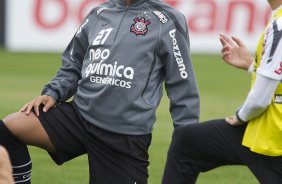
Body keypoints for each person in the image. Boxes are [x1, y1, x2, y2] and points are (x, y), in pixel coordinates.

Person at [0, 0, 200, 183]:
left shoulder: (168, 20)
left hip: (124, 138)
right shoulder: (98, 13)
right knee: (9, 129)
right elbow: (73, 64)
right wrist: (52, 92)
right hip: (78, 118)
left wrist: (188, 137)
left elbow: (182, 84)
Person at [161, 0, 282, 183]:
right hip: (268, 132)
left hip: (272, 135)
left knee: (185, 142)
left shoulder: (279, 24)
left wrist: (240, 116)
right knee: (186, 141)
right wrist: (251, 65)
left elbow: (259, 100)